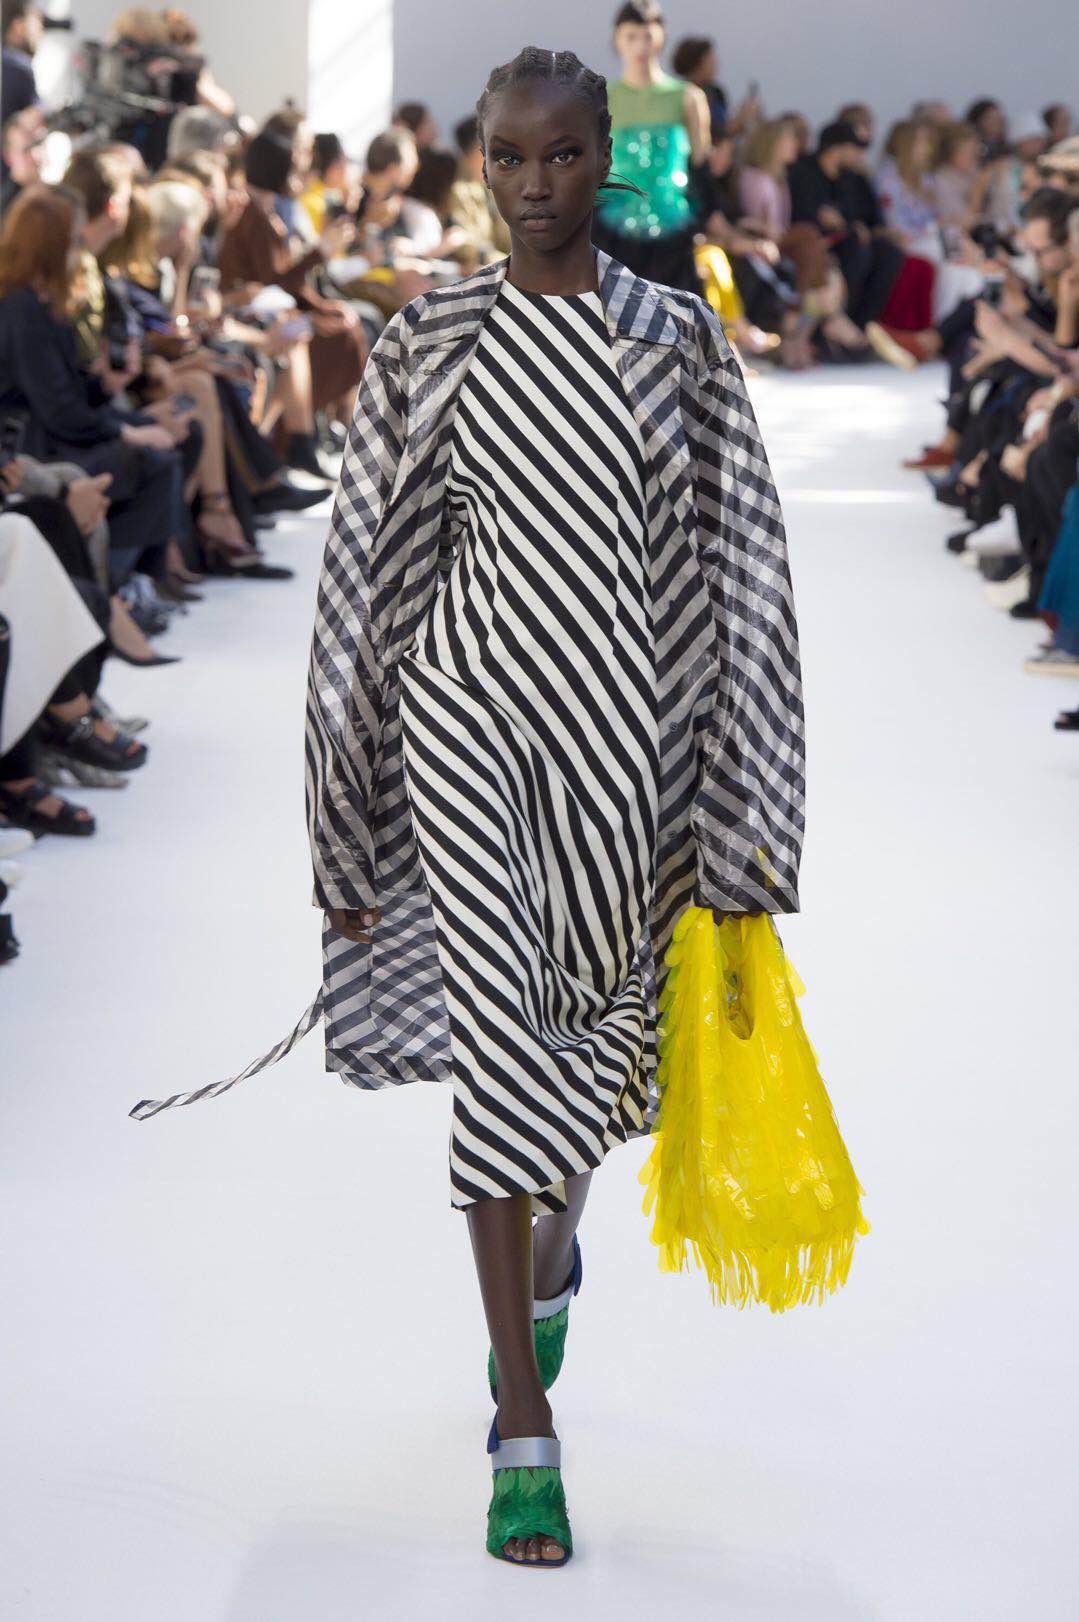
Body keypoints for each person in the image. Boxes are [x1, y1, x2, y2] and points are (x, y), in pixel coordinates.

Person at [129, 43, 805, 1570]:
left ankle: (553, 1259)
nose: (532, 184)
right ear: (477, 164)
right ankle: (522, 1419)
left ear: (604, 160)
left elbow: (741, 574)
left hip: (630, 754)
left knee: (602, 1066)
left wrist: (747, 820)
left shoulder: (675, 342)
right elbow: (366, 574)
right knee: (499, 1058)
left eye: (561, 155)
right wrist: (341, 801)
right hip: (467, 734)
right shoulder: (428, 339)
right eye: (506, 156)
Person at [590, 0, 711, 294]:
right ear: (617, 39)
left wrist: (706, 225)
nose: (640, 46)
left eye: (647, 36)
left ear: (661, 37)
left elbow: (701, 168)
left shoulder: (688, 97)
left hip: (674, 235)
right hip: (613, 233)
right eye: (631, 36)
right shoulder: (600, 99)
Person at [0, 0, 41, 120]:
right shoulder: (18, 67)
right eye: (37, 21)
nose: (41, 29)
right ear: (19, 26)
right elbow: (36, 115)